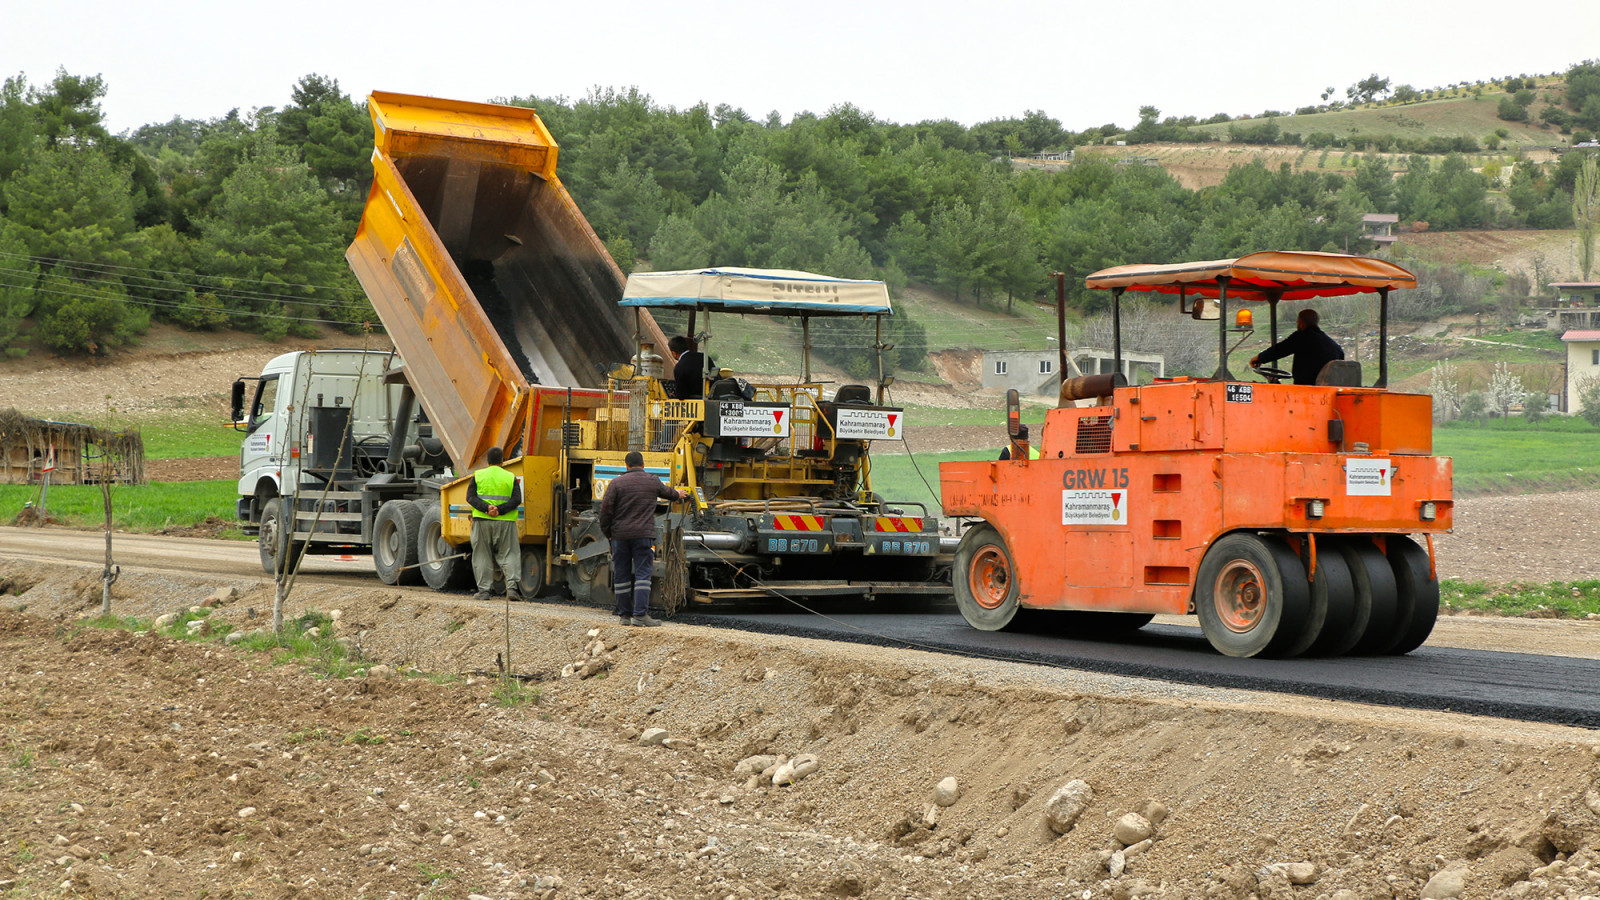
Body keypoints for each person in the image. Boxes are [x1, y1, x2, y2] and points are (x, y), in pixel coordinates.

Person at [598, 450, 689, 627]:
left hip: (620, 536)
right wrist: (679, 493)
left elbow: (605, 511)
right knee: (643, 574)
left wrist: (608, 533)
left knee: (621, 574)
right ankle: (640, 615)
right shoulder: (652, 480)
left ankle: (624, 615)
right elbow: (669, 494)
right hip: (643, 536)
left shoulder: (616, 483)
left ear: (626, 466)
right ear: (643, 464)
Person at [467, 447, 522, 603]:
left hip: (482, 522)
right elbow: (517, 499)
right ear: (502, 461)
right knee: (510, 554)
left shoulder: (478, 476)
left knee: (482, 555)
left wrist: (487, 508)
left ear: (487, 461)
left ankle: (484, 591)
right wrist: (500, 510)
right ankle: (512, 589)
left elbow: (470, 497)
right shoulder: (510, 477)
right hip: (505, 522)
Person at [1248, 308, 1345, 386]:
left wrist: (1259, 358)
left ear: (1301, 322)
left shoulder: (1302, 336)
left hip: (1306, 389)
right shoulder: (1334, 346)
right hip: (1328, 389)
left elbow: (1280, 350)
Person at [672, 336, 716, 401]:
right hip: (714, 398)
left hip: (697, 402)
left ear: (674, 353)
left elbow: (681, 396)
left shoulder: (679, 367)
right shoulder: (705, 358)